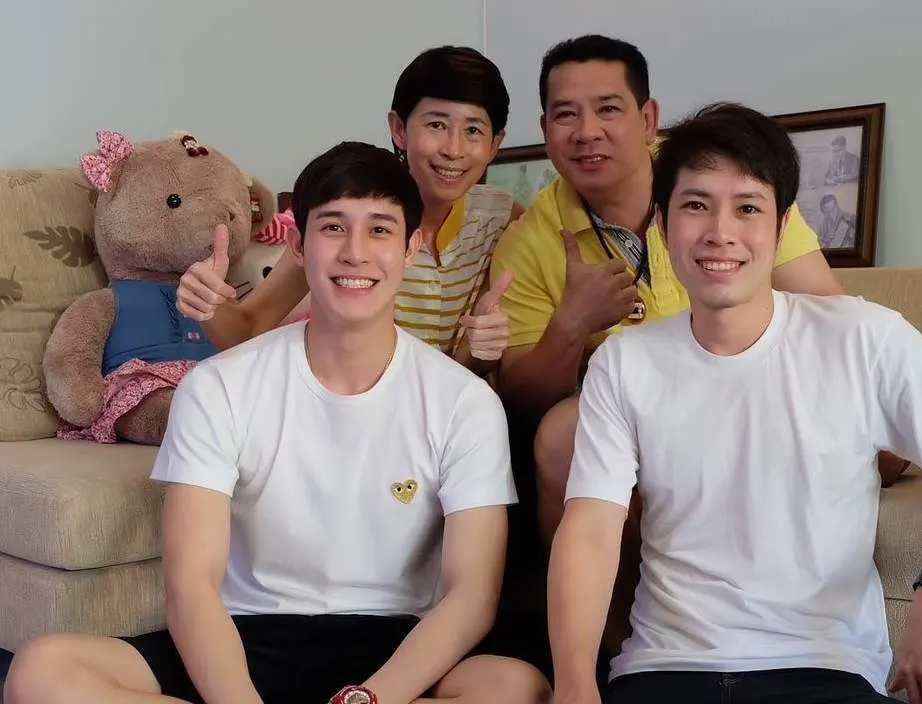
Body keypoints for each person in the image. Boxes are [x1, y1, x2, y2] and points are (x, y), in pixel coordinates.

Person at [4, 142, 551, 704]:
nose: (355, 253)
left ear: (409, 247)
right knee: (43, 671)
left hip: (395, 645)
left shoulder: (463, 401)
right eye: (333, 227)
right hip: (246, 640)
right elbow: (191, 584)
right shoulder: (218, 386)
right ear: (298, 244)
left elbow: (472, 597)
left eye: (380, 230)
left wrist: (370, 699)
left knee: (514, 687)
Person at [545, 102, 922, 704]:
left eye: (747, 207)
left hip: (825, 668)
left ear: (782, 225)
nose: (720, 232)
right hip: (665, 670)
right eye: (696, 205)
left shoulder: (864, 338)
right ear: (662, 225)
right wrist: (574, 684)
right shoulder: (625, 362)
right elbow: (591, 528)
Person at [176, 45, 523, 377]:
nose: (453, 150)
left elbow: (467, 367)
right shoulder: (340, 222)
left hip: (442, 404)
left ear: (495, 144)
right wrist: (210, 305)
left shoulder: (501, 217)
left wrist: (481, 349)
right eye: (436, 125)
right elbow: (248, 330)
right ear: (399, 129)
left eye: (473, 130)